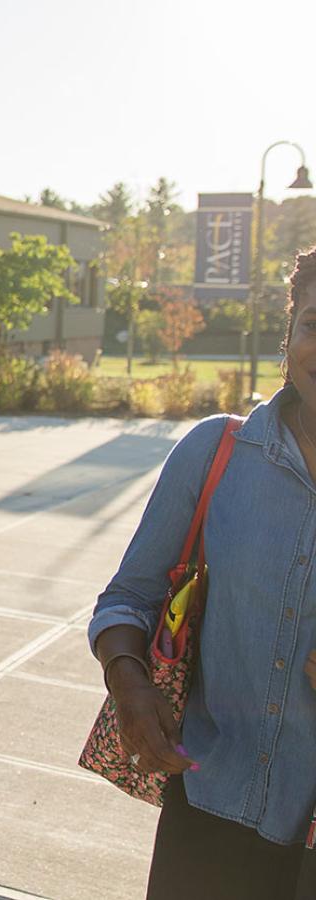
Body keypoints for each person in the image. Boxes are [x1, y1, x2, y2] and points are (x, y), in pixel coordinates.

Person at [91, 247, 316, 899]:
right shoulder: (214, 454)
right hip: (208, 813)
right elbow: (126, 601)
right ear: (290, 331)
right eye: (314, 323)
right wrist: (131, 688)